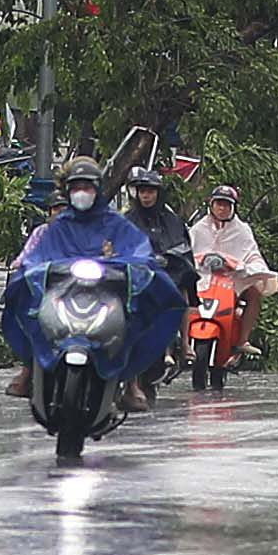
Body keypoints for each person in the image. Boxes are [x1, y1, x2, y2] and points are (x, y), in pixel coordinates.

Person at [4, 153, 154, 399]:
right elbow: (35, 259)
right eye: (76, 188)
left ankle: (130, 383)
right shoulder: (56, 228)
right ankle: (31, 370)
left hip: (105, 293)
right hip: (64, 292)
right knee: (32, 314)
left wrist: (126, 264)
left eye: (87, 187)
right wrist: (32, 270)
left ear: (97, 189)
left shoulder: (116, 223)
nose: (81, 193)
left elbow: (137, 251)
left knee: (134, 316)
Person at [110, 166, 192, 404]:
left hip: (166, 275)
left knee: (182, 288)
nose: (146, 196)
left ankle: (185, 344)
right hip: (133, 278)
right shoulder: (125, 220)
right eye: (142, 191)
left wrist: (167, 258)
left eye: (151, 191)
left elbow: (182, 246)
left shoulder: (171, 220)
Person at [191, 183, 274, 361]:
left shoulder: (242, 230)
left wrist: (234, 264)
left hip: (232, 279)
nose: (222, 208)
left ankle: (242, 340)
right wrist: (202, 259)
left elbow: (253, 256)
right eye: (219, 203)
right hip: (202, 278)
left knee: (254, 293)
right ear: (211, 205)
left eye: (227, 204)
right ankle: (177, 341)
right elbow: (187, 253)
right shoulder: (198, 229)